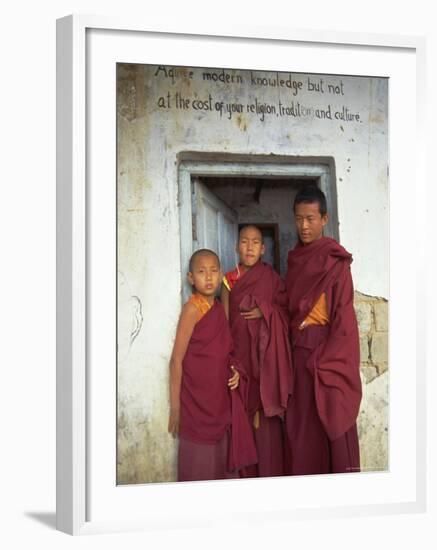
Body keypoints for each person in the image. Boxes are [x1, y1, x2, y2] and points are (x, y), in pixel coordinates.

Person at [285, 185, 362, 475]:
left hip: (325, 352)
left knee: (331, 413)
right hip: (298, 353)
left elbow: (343, 316)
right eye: (299, 219)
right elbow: (289, 305)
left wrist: (327, 359)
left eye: (311, 219)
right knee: (302, 426)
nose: (304, 226)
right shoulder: (295, 260)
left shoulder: (335, 262)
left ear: (324, 219)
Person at [168, 248, 257, 482]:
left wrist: (236, 371)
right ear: (191, 278)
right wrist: (175, 408)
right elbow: (177, 359)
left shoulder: (219, 309)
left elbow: (226, 352)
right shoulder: (192, 310)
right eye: (201, 272)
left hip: (220, 399)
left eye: (213, 271)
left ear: (220, 277)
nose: (208, 277)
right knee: (200, 466)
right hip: (197, 402)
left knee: (221, 462)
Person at [221, 225, 293, 478]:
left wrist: (267, 311)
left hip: (267, 358)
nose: (249, 247)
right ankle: (248, 475)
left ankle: (271, 473)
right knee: (243, 412)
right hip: (241, 359)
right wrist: (229, 360)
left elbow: (286, 312)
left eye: (255, 242)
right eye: (244, 241)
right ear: (236, 246)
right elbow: (225, 323)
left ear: (263, 249)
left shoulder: (272, 279)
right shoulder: (228, 280)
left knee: (267, 415)